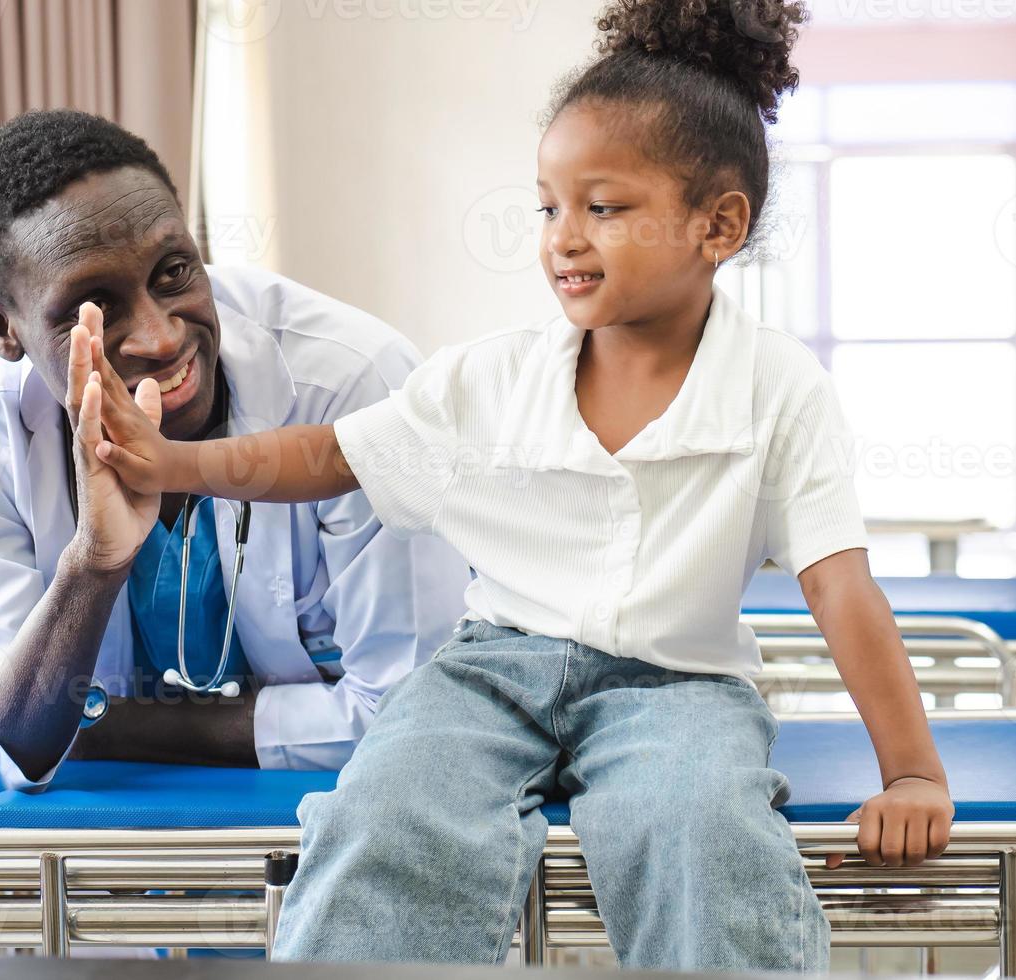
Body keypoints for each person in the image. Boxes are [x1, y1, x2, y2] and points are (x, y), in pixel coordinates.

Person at [79, 0, 955, 970]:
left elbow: (841, 587)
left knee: (700, 829)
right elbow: (330, 453)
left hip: (681, 687)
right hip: (490, 673)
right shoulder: (488, 378)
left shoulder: (778, 389)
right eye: (547, 206)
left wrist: (911, 769)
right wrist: (175, 465)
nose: (561, 237)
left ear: (719, 225)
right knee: (383, 812)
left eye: (603, 207)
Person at [0, 109, 472, 797]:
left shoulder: (351, 381)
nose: (160, 337)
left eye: (173, 271)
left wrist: (97, 728)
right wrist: (92, 567)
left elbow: (417, 719)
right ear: (2, 329)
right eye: (94, 308)